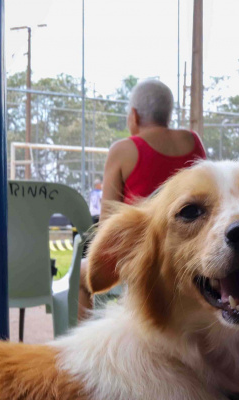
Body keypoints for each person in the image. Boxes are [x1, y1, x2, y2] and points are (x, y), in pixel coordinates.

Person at [77, 79, 206, 319]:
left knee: (80, 277)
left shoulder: (123, 149)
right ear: (168, 114)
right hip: (186, 258)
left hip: (143, 259)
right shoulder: (193, 141)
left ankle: (86, 352)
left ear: (133, 116)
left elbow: (108, 223)